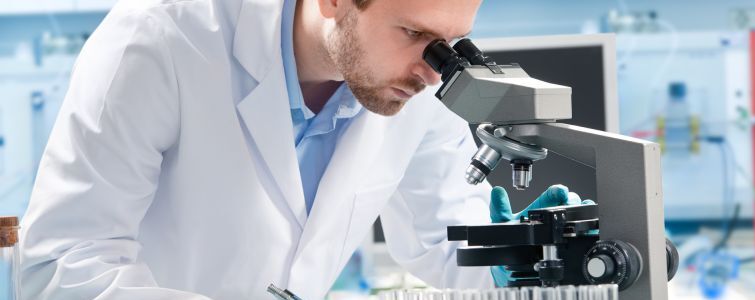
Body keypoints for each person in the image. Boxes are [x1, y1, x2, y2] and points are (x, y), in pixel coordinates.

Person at [20, 0, 585, 298]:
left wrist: (520, 259)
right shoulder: (162, 42)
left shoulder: (415, 85)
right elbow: (62, 269)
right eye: (413, 35)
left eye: (449, 43)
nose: (430, 71)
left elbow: (441, 240)